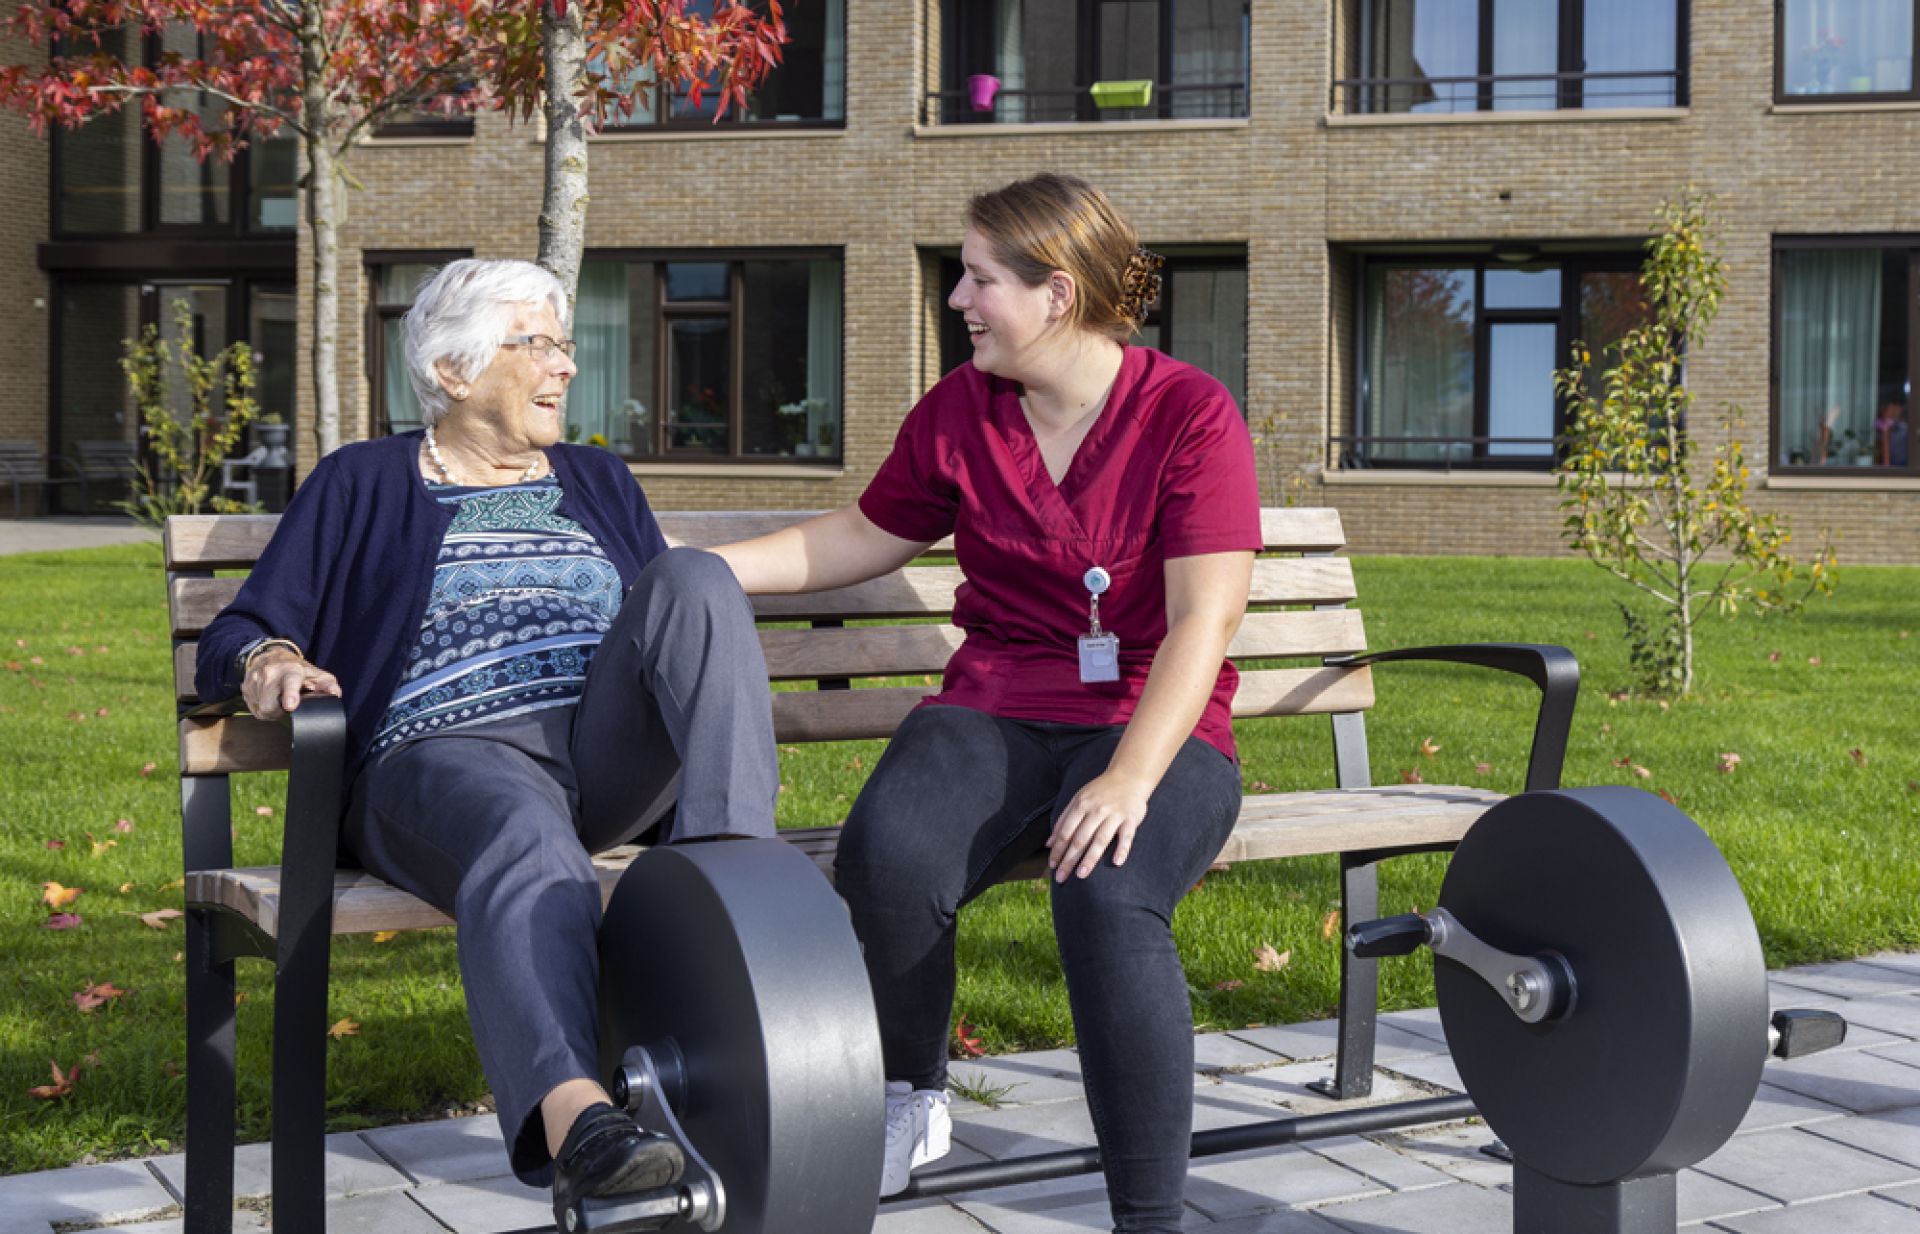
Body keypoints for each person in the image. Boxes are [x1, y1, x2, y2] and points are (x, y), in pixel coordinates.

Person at [713, 173, 1261, 1233]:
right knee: (890, 850)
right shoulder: (962, 410)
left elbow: (1204, 621)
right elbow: (863, 536)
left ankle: (1151, 1216)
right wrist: (697, 564)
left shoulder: (1189, 414)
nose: (958, 299)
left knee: (1104, 893)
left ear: (1055, 294)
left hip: (1155, 721)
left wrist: (1129, 778)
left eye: (977, 279)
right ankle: (913, 1092)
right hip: (999, 701)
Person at [193, 258, 780, 1223]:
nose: (564, 366)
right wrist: (268, 659)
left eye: (563, 342)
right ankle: (582, 1126)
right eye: (536, 344)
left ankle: (738, 902)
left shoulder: (598, 476)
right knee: (521, 830)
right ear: (453, 371)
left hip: (597, 754)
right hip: (438, 757)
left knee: (700, 579)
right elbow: (241, 627)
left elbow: (671, 622)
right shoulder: (363, 481)